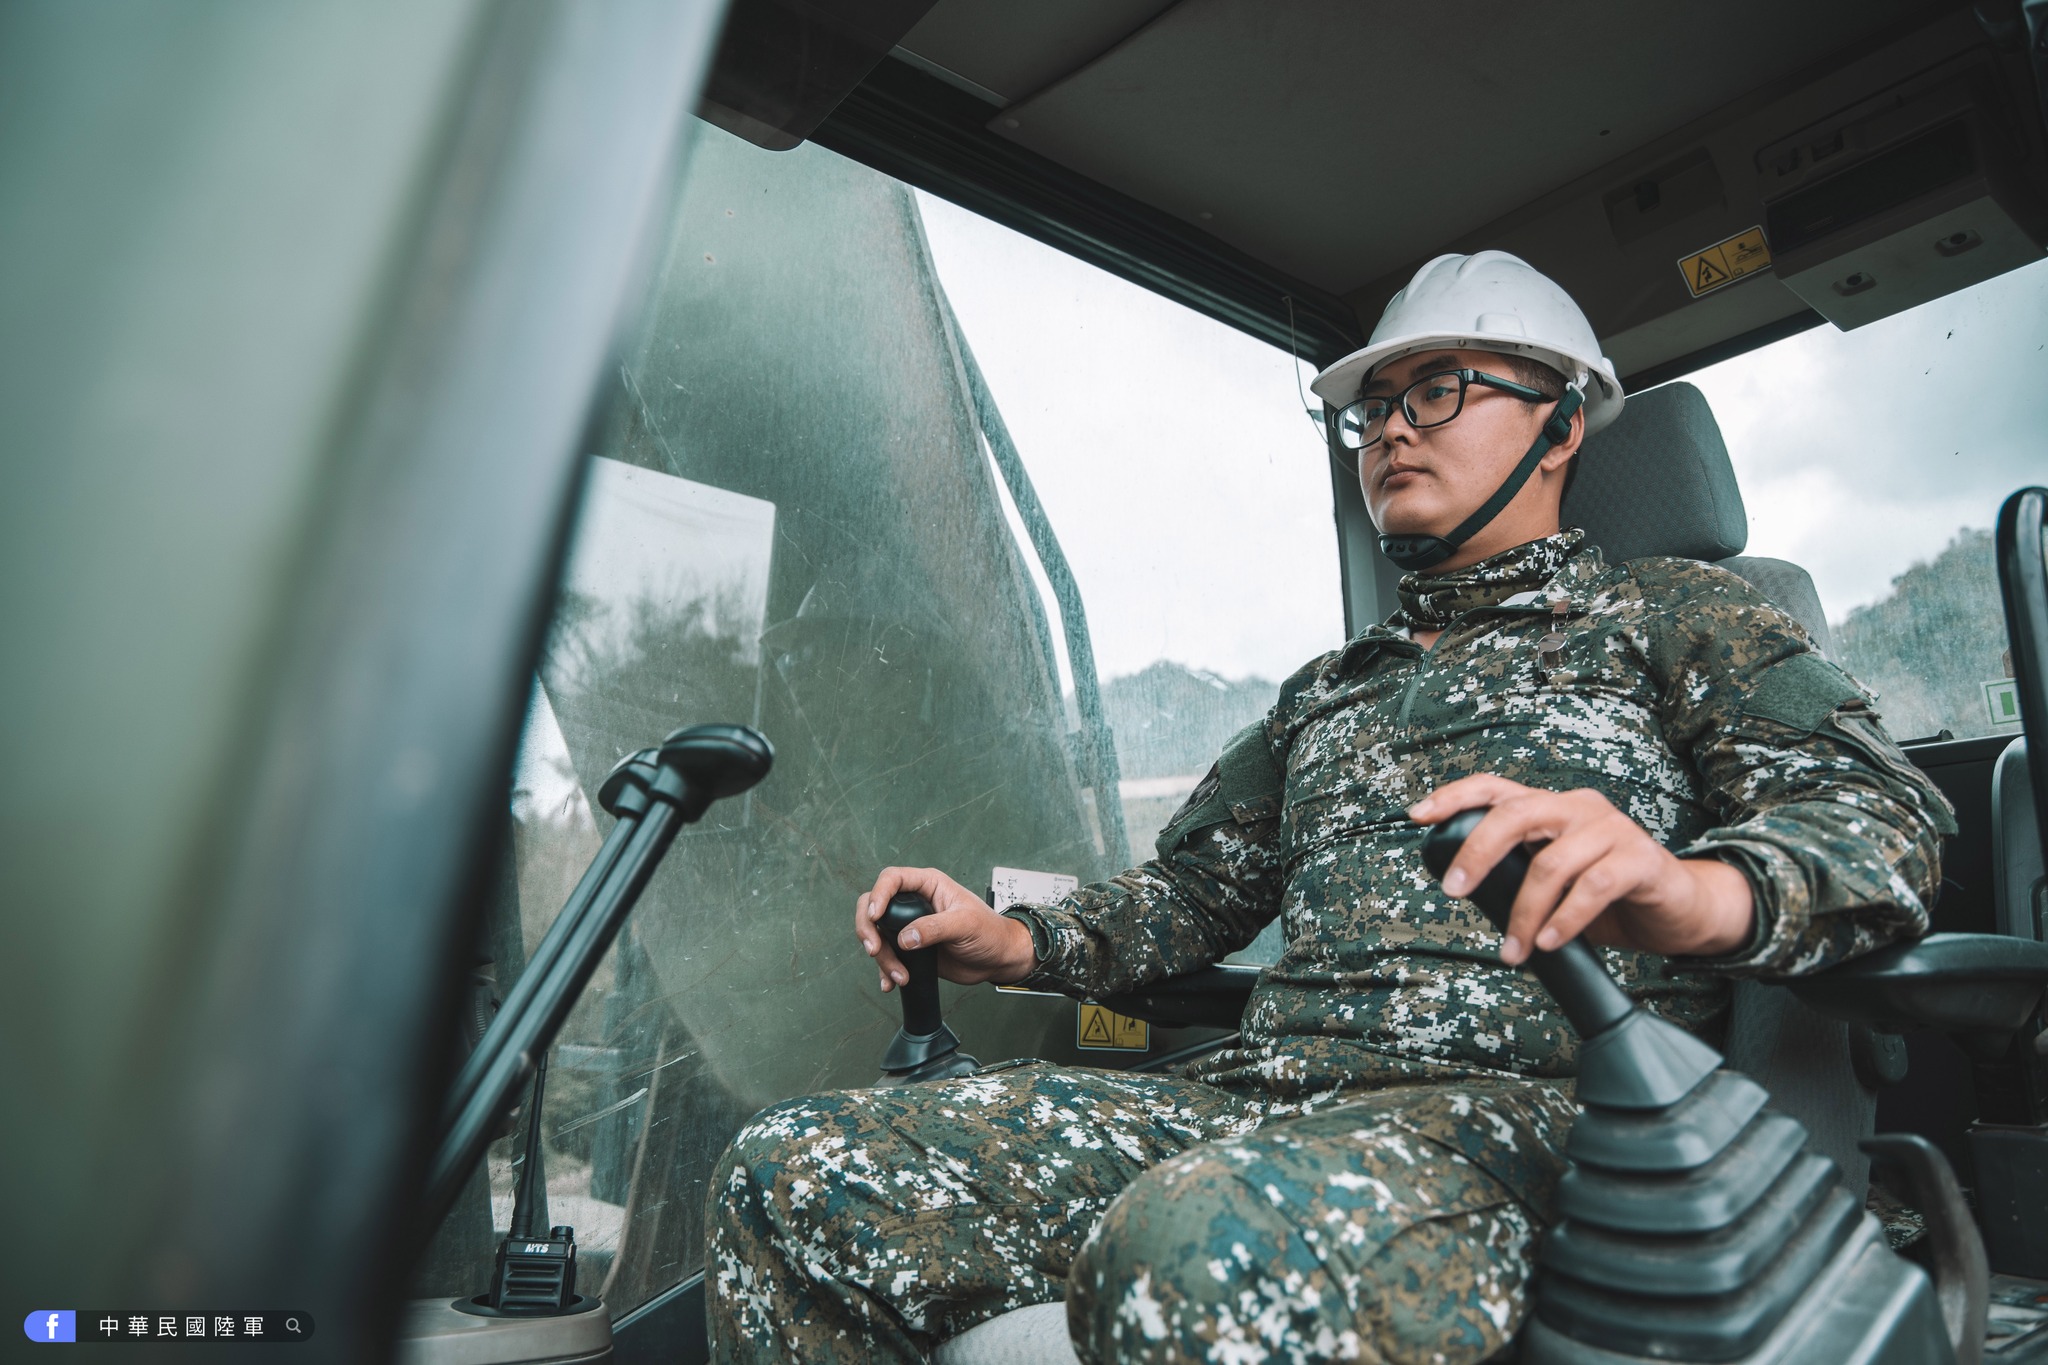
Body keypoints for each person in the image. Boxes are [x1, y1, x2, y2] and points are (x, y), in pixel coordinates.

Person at [704, 251, 1955, 1363]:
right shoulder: (1322, 694)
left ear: (1561, 421)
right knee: (793, 1172)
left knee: (1200, 1242)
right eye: (1371, 408)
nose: (1387, 433)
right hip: (1262, 1095)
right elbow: (1190, 893)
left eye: (1437, 392)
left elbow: (1876, 824)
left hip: (1544, 1108)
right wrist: (1014, 941)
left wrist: (1686, 890)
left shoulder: (1678, 617)